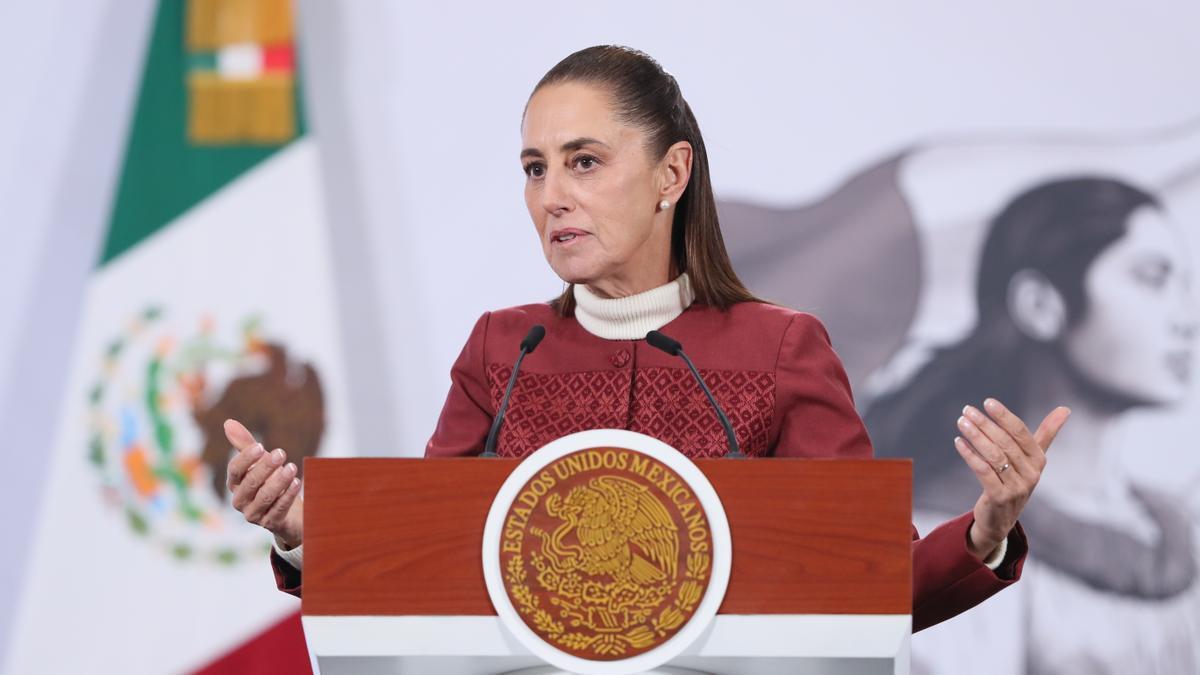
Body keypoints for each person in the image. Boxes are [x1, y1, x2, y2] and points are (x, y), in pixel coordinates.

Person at [222, 45, 1070, 633]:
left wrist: (984, 529)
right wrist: (301, 531)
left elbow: (866, 579)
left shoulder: (781, 348)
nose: (552, 195)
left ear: (672, 174)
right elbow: (422, 572)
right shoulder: (502, 352)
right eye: (535, 168)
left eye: (584, 161)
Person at [864, 176, 1200, 672]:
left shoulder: (1177, 526)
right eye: (1152, 279)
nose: (1187, 319)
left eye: (1185, 285)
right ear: (1040, 305)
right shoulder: (946, 540)